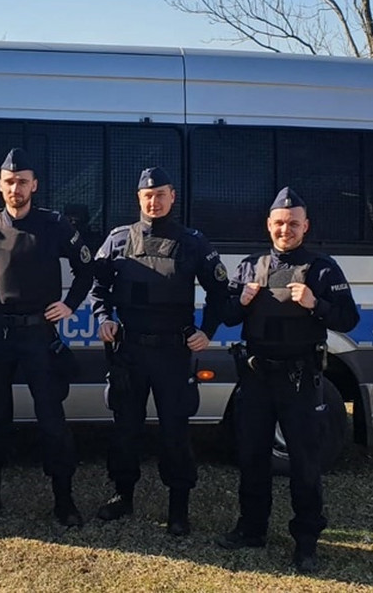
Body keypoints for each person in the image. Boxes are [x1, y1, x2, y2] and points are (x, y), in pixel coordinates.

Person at [215, 187, 360, 575]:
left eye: (293, 223)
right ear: (269, 225)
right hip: (256, 377)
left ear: (305, 226)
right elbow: (226, 317)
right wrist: (240, 301)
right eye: (279, 223)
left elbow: (349, 319)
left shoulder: (324, 269)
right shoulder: (249, 266)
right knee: (251, 458)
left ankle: (306, 542)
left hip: (299, 379)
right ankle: (251, 529)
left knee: (305, 464)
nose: (286, 230)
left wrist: (317, 304)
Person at [89, 166, 229, 536]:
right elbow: (98, 289)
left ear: (172, 196)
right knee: (125, 428)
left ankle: (178, 508)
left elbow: (219, 294)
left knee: (175, 431)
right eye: (148, 195)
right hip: (129, 351)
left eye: (161, 194)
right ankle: (123, 495)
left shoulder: (193, 242)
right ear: (139, 199)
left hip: (172, 354)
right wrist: (104, 318)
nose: (154, 200)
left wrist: (207, 331)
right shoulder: (119, 240)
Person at [0, 148, 95, 527]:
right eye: (8, 182)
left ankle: (64, 499)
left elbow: (86, 268)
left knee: (51, 416)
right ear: (0, 186)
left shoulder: (54, 224)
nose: (15, 188)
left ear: (34, 185)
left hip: (39, 333)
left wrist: (69, 305)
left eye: (22, 181)